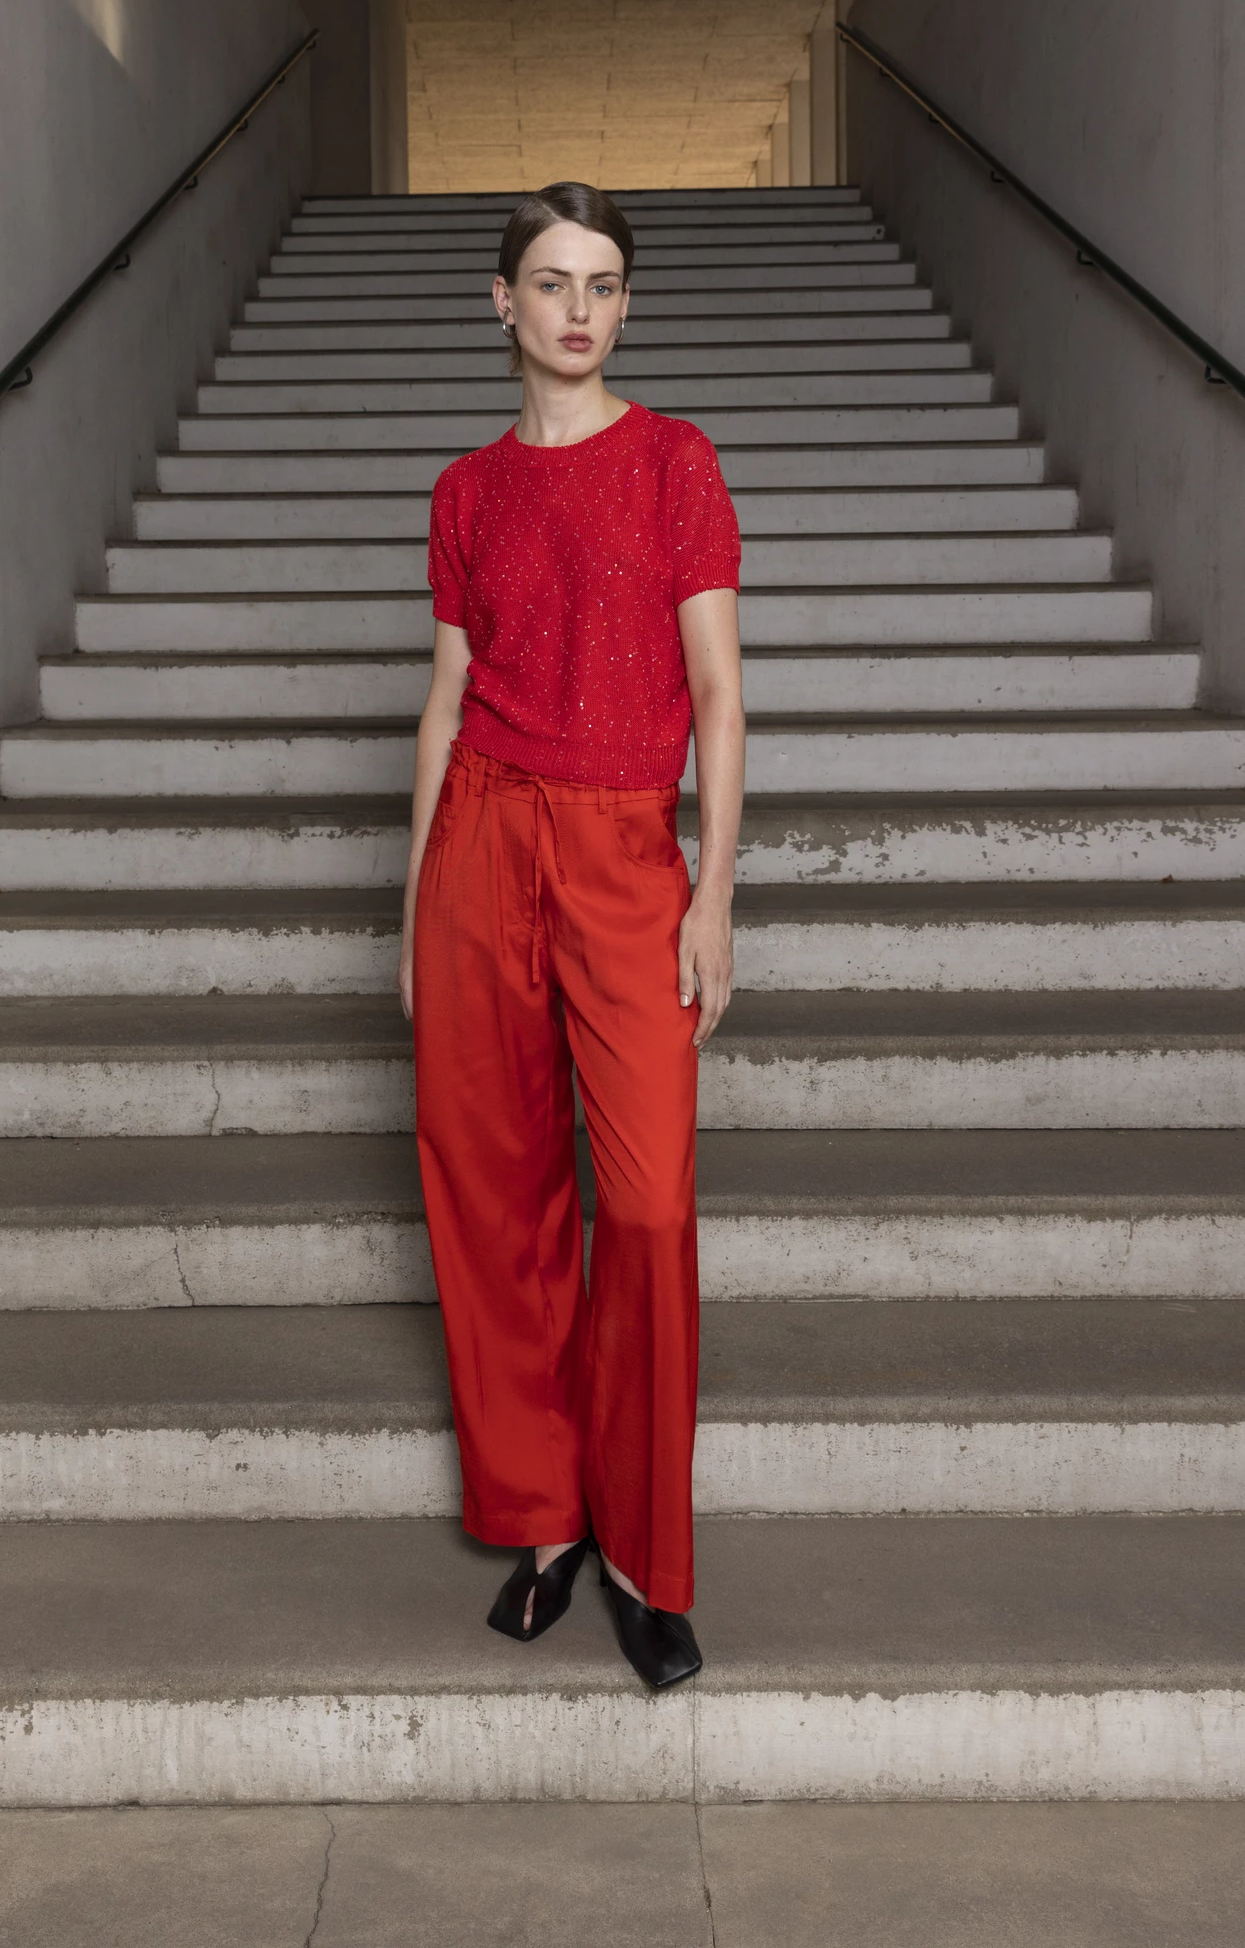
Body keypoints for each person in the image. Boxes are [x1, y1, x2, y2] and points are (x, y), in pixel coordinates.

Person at [398, 181, 745, 1690]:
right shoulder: (465, 491)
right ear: (504, 301)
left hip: (621, 852)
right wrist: (413, 910)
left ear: (624, 304)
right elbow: (443, 699)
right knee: (497, 1196)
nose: (579, 309)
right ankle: (546, 1520)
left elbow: (718, 693)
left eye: (603, 283)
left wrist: (713, 892)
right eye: (551, 281)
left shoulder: (673, 461)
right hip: (479, 840)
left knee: (648, 1206)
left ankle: (643, 1551)